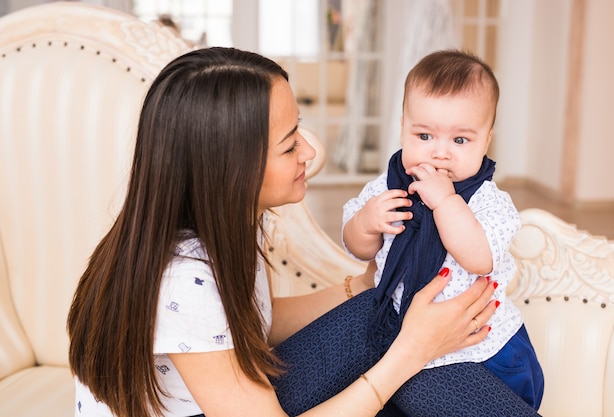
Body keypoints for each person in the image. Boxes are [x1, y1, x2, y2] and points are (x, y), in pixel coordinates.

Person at [67, 47, 540, 417]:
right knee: (396, 341)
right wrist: (413, 350)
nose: (310, 153)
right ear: (232, 167)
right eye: (291, 143)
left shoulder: (213, 228)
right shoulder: (184, 281)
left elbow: (252, 325)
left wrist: (366, 284)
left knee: (381, 318)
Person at [343, 49, 544, 412]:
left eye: (460, 140)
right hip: (406, 338)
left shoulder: (487, 201)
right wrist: (366, 223)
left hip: (483, 346)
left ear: (487, 140)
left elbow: (479, 258)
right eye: (424, 135)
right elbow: (358, 248)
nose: (440, 153)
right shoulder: (386, 188)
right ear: (403, 127)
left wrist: (446, 202)